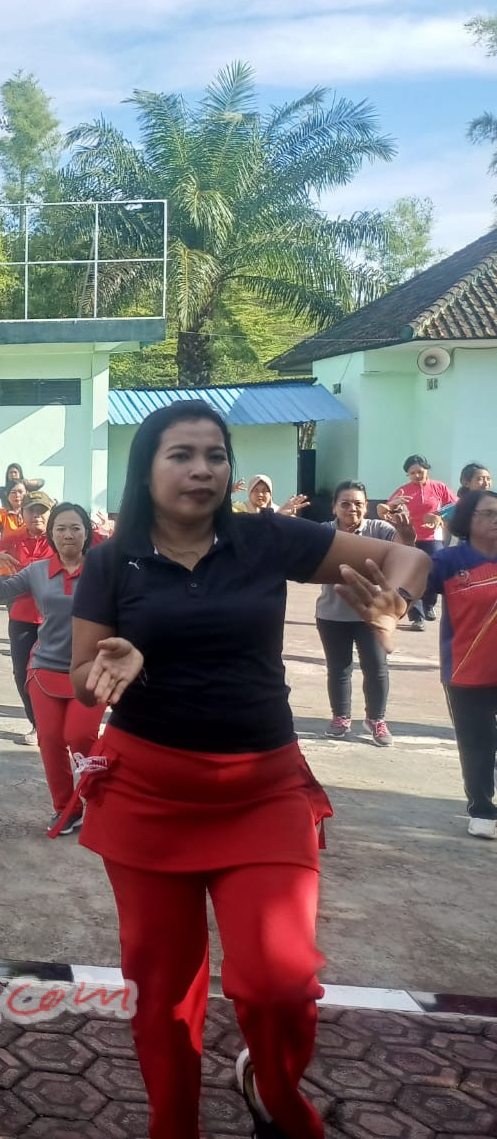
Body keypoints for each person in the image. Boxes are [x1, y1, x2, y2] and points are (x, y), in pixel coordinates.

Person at [69, 400, 428, 1139]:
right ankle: (173, 1123)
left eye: (214, 454)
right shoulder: (111, 560)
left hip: (261, 791)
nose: (201, 470)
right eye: (181, 455)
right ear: (146, 468)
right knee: (163, 993)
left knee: (278, 983)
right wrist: (117, 663)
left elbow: (403, 557)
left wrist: (398, 600)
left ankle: (270, 1085)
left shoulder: (264, 539)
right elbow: (80, 673)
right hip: (147, 794)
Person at [0, 501, 101, 835]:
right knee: (49, 740)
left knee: (80, 737)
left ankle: (102, 798)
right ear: (52, 534)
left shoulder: (103, 570)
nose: (68, 534)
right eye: (61, 528)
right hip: (45, 668)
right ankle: (67, 809)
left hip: (90, 670)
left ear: (86, 533)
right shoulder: (37, 571)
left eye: (75, 528)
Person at [424, 487, 497, 839]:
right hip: (466, 670)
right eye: (488, 513)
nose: (496, 518)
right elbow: (411, 582)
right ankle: (482, 808)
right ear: (468, 520)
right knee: (477, 743)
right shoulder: (449, 562)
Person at [318, 482, 414, 745]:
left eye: (358, 503)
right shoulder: (323, 532)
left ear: (367, 506)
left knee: (377, 668)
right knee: (339, 669)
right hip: (332, 613)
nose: (352, 509)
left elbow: (404, 552)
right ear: (334, 507)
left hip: (373, 616)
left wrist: (407, 535)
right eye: (345, 503)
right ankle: (340, 717)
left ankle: (376, 719)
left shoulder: (379, 529)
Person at [0, 486, 49, 743]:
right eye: (32, 511)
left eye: (42, 511)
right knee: (22, 672)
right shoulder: (16, 537)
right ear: (23, 513)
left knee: (58, 671)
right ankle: (37, 723)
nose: (36, 516)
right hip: (22, 617)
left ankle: (64, 722)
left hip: (57, 620)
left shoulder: (60, 538)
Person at [389, 455, 455, 630]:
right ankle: (416, 616)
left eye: (420, 471)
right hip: (410, 538)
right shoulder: (403, 490)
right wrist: (393, 507)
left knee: (434, 571)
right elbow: (388, 509)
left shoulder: (439, 487)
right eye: (412, 473)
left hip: (433, 537)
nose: (417, 475)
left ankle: (429, 604)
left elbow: (455, 505)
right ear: (408, 475)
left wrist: (439, 516)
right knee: (412, 575)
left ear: (427, 470)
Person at [233, 474, 308, 516]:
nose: (260, 494)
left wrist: (280, 517)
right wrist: (227, 492)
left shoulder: (283, 512)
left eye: (265, 491)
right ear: (249, 493)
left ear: (270, 494)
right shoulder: (238, 510)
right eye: (255, 490)